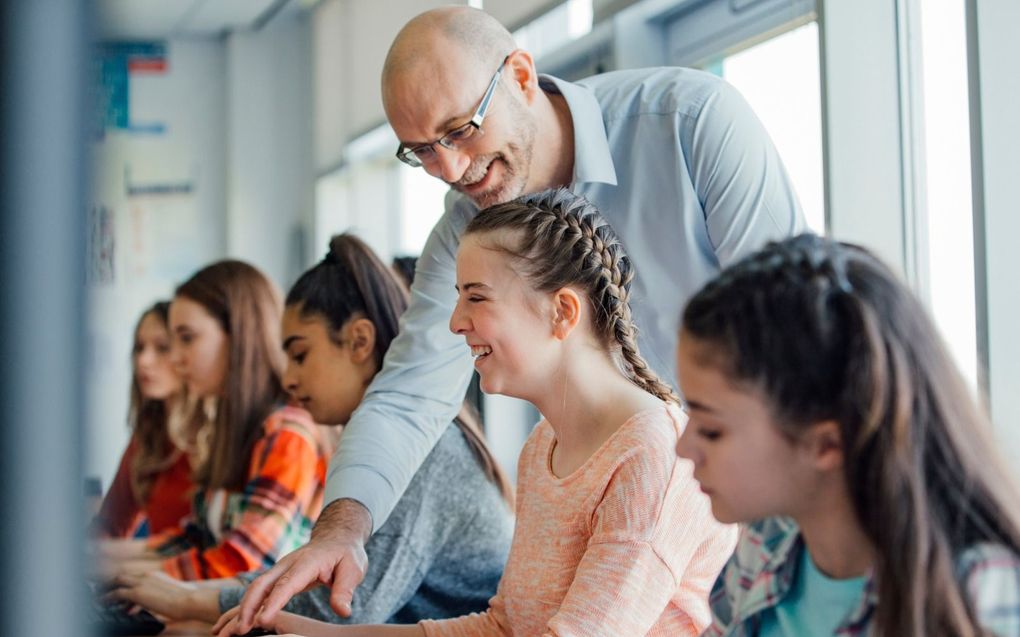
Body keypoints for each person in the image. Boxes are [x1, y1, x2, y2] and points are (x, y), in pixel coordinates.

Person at [237, 6, 803, 629]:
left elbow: (791, 339)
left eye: (460, 129)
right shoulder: (541, 444)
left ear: (522, 76)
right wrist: (339, 533)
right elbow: (407, 394)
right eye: (421, 151)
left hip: (764, 505)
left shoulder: (691, 124)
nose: (449, 171)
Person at [218, 189, 736, 636]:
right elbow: (503, 629)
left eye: (477, 298)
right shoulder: (544, 447)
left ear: (563, 312)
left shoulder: (654, 455)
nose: (456, 323)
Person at [108, 234, 513, 625]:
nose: (289, 379)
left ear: (359, 342)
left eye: (301, 355)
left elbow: (345, 606)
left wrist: (186, 599)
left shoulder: (425, 450)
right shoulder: (375, 446)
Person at [675, 233, 1020, 635]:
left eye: (712, 431)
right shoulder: (765, 544)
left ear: (826, 444)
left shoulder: (984, 598)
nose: (684, 448)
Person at [102, 260, 333, 581]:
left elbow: (241, 563)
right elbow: (194, 539)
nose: (178, 357)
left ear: (238, 336)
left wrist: (122, 578)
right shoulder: (234, 428)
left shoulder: (287, 435)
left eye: (187, 338)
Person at [92, 301, 192, 538]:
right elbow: (109, 525)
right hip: (150, 569)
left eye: (162, 348)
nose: (143, 361)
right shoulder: (148, 435)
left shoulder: (216, 440)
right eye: (139, 348)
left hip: (194, 573)